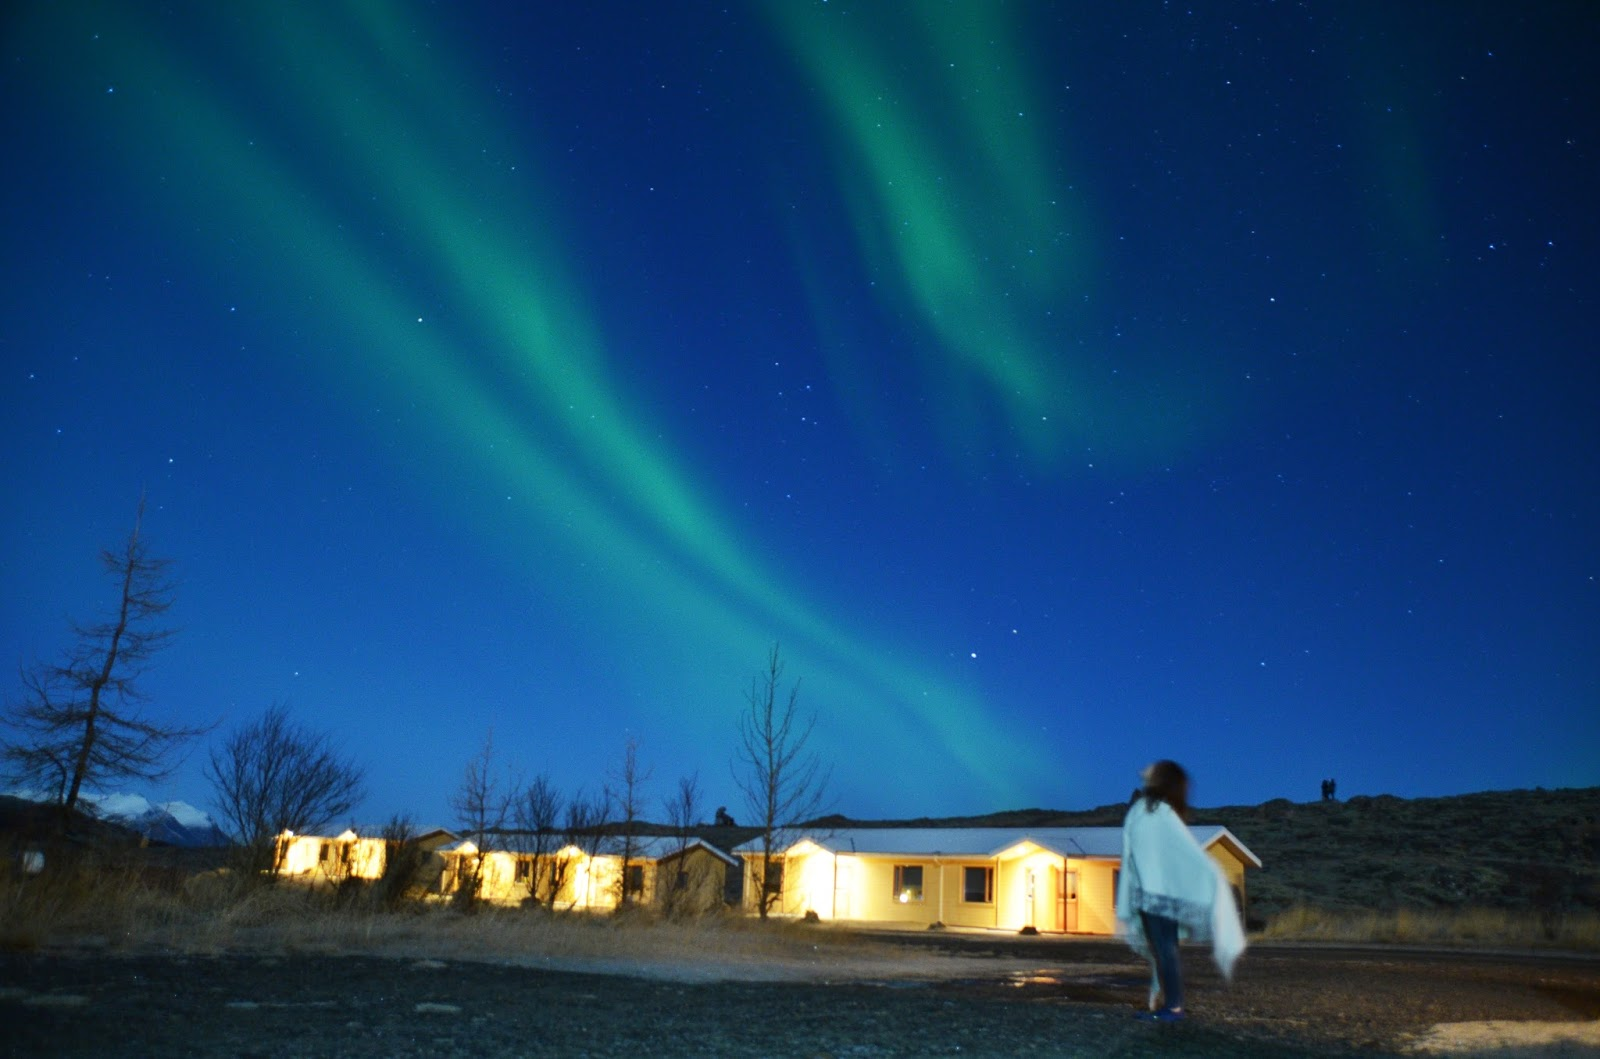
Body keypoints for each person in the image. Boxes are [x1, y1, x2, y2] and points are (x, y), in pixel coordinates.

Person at [1116, 760, 1246, 1022]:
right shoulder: (1162, 812)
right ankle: (1170, 1004)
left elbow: (1177, 853)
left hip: (1152, 896)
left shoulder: (1152, 811)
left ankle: (1174, 1007)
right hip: (1160, 895)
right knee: (1165, 949)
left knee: (1165, 949)